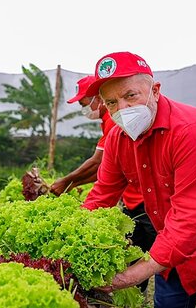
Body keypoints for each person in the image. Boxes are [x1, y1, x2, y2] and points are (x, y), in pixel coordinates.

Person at [82, 51, 196, 307]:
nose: (122, 109)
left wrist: (130, 275)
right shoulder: (117, 139)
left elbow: (191, 218)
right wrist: (70, 234)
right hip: (174, 254)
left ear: (155, 91)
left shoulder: (192, 131)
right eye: (112, 102)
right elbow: (102, 195)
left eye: (130, 96)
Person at [50, 75, 157, 293]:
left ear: (96, 99)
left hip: (148, 202)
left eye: (83, 104)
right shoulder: (111, 122)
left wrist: (66, 181)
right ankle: (136, 291)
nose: (84, 110)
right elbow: (107, 176)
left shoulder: (116, 119)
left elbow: (97, 162)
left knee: (150, 257)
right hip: (133, 200)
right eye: (112, 102)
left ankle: (136, 290)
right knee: (138, 251)